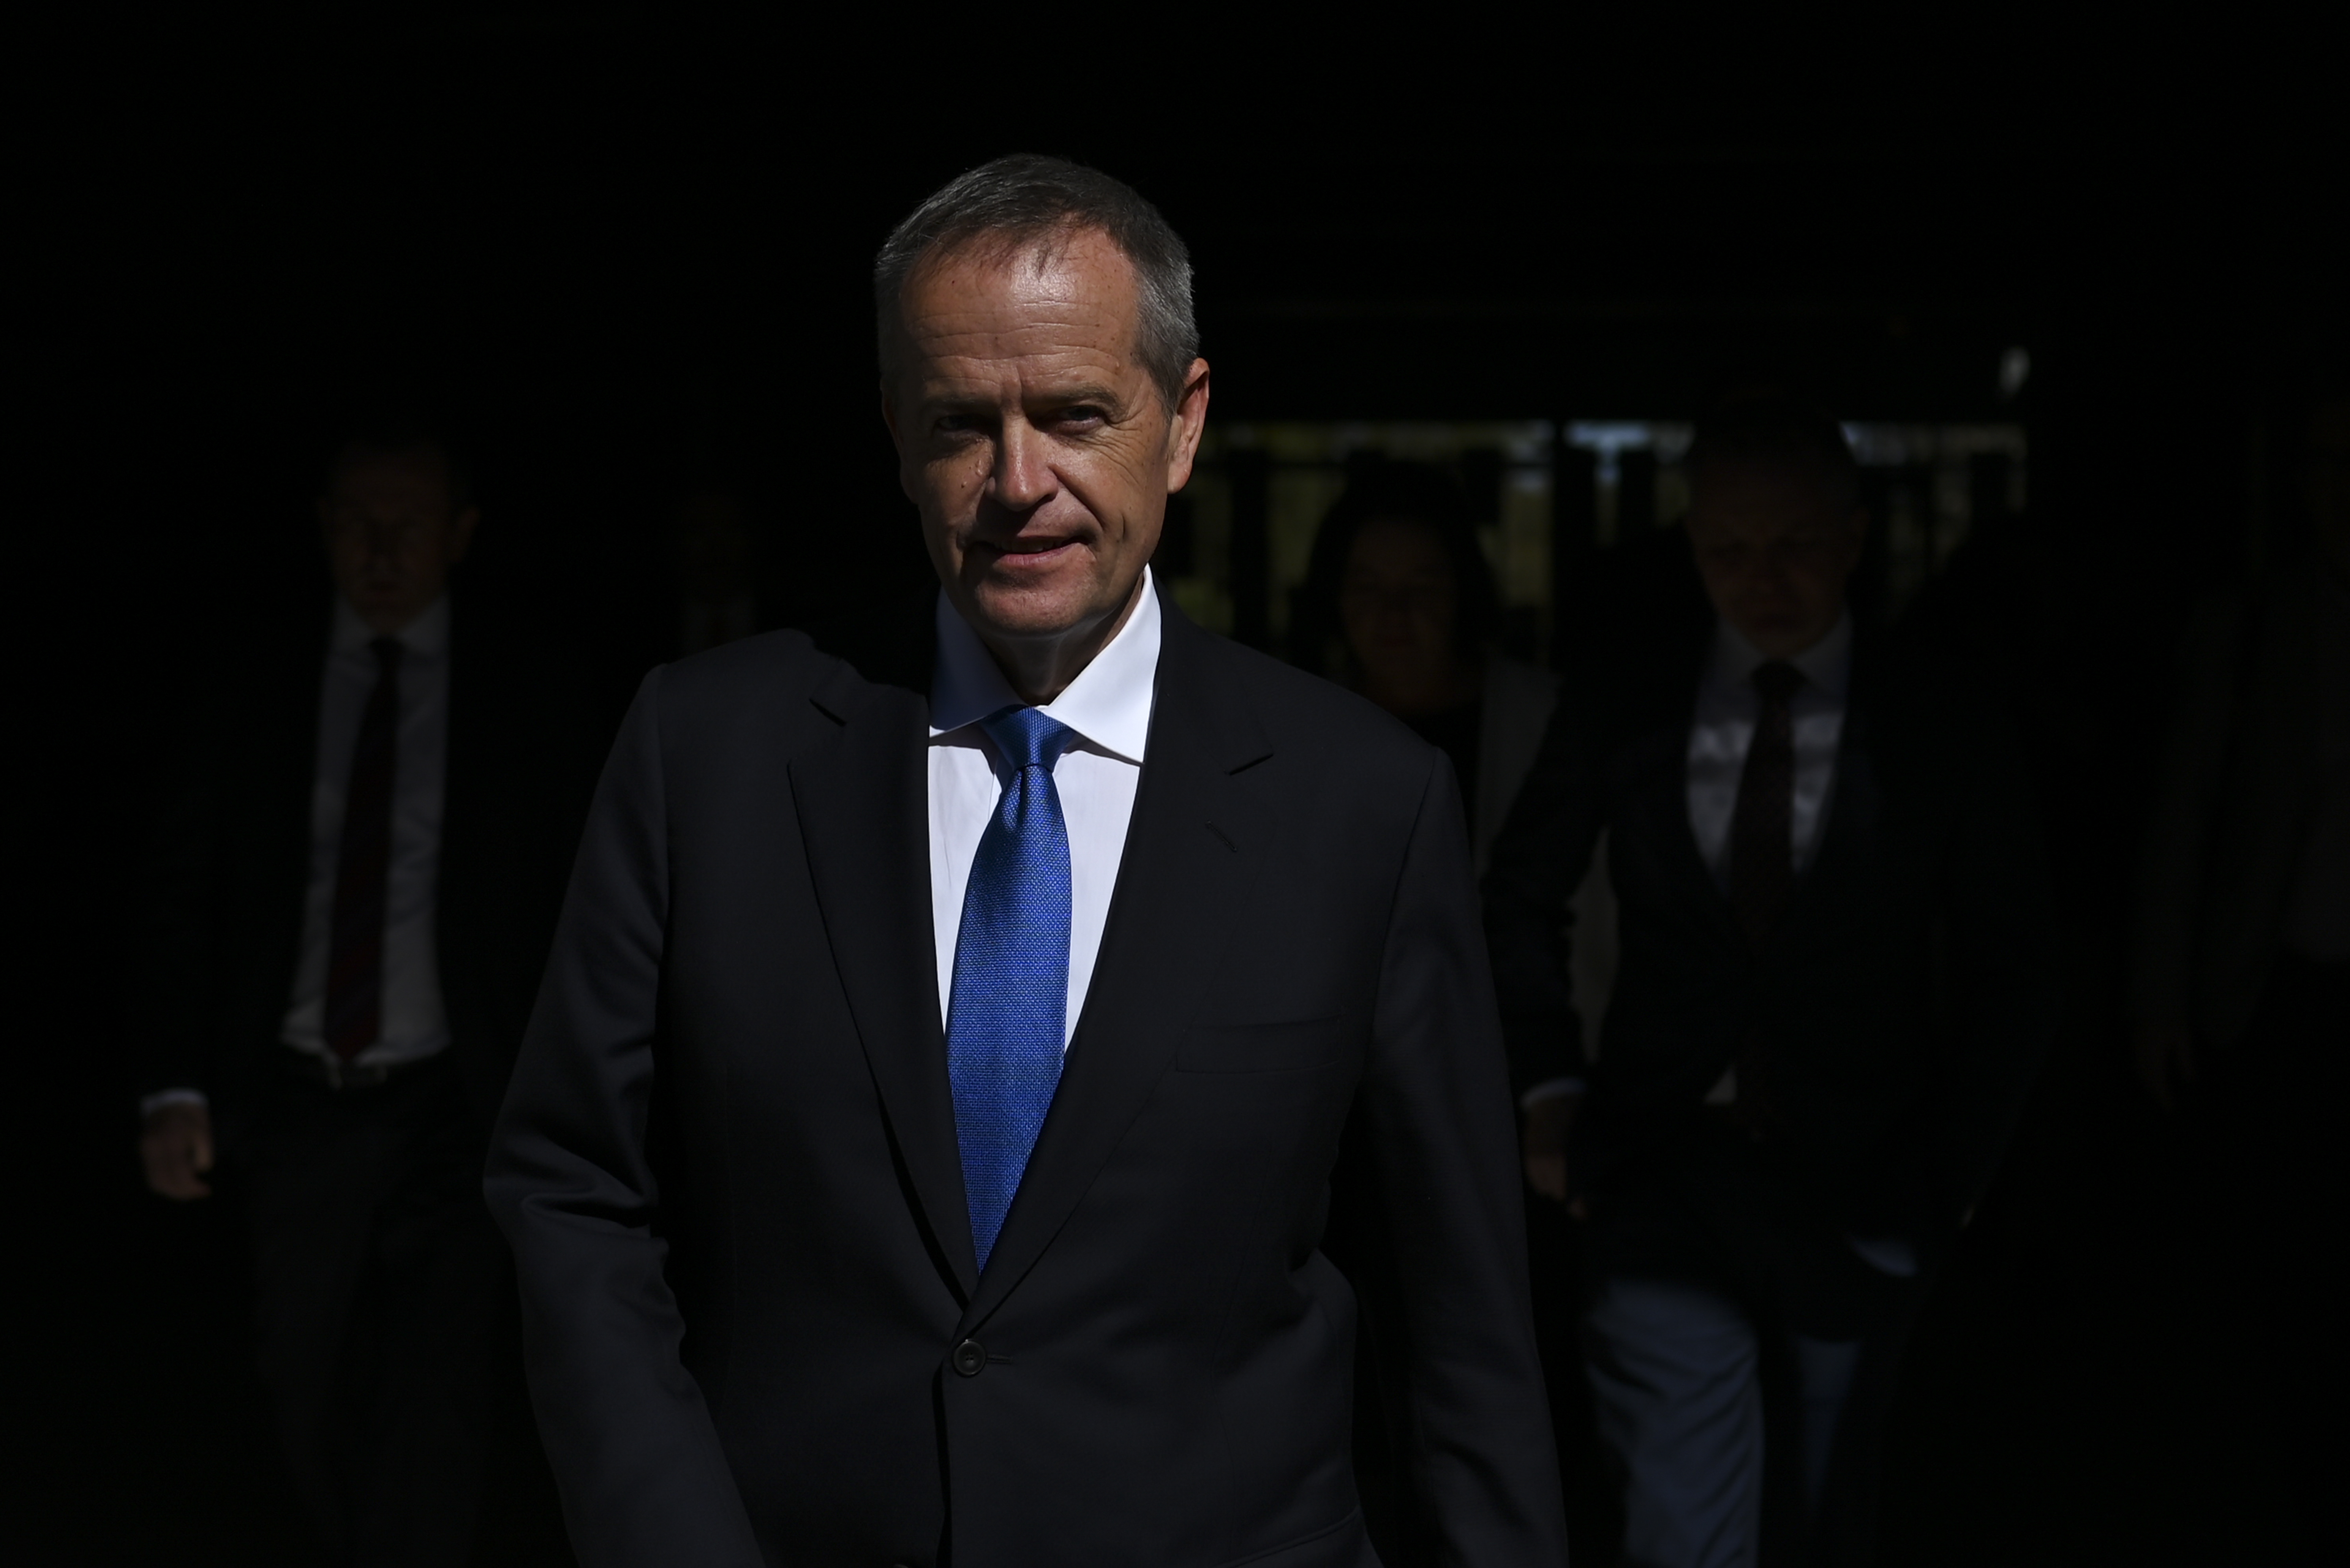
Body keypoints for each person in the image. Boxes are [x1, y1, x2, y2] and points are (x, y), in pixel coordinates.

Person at [485, 155, 1568, 1567]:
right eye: (959, 423)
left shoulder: (1362, 804)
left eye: (1073, 415)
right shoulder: (708, 754)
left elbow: (1462, 1323)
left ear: (1180, 424)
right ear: (892, 432)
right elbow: (573, 1190)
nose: (1017, 483)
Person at [1483, 392, 2057, 1567]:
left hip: (1866, 1174)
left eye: (1792, 544)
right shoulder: (1630, 693)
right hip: (1656, 1166)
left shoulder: (1940, 714)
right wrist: (1546, 1089)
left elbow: (2015, 958)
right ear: (1691, 545)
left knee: (1823, 1519)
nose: (1761, 578)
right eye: (1728, 549)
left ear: (1852, 537)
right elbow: (1513, 893)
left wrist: (1947, 1182)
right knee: (1673, 1532)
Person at [132, 422, 602, 1563]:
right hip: (297, 1096)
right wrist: (171, 1085)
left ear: (459, 535)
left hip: (457, 1096)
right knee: (303, 1371)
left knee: (439, 1388)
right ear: (325, 531)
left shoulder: (528, 689)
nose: (383, 548)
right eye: (358, 521)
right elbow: (181, 885)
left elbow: (578, 899)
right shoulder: (257, 676)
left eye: (409, 523)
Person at [2129, 395, 2348, 1561]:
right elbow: (2186, 815)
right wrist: (2162, 995)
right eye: (2322, 464)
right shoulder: (2262, 619)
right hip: (2291, 994)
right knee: (2295, 1275)